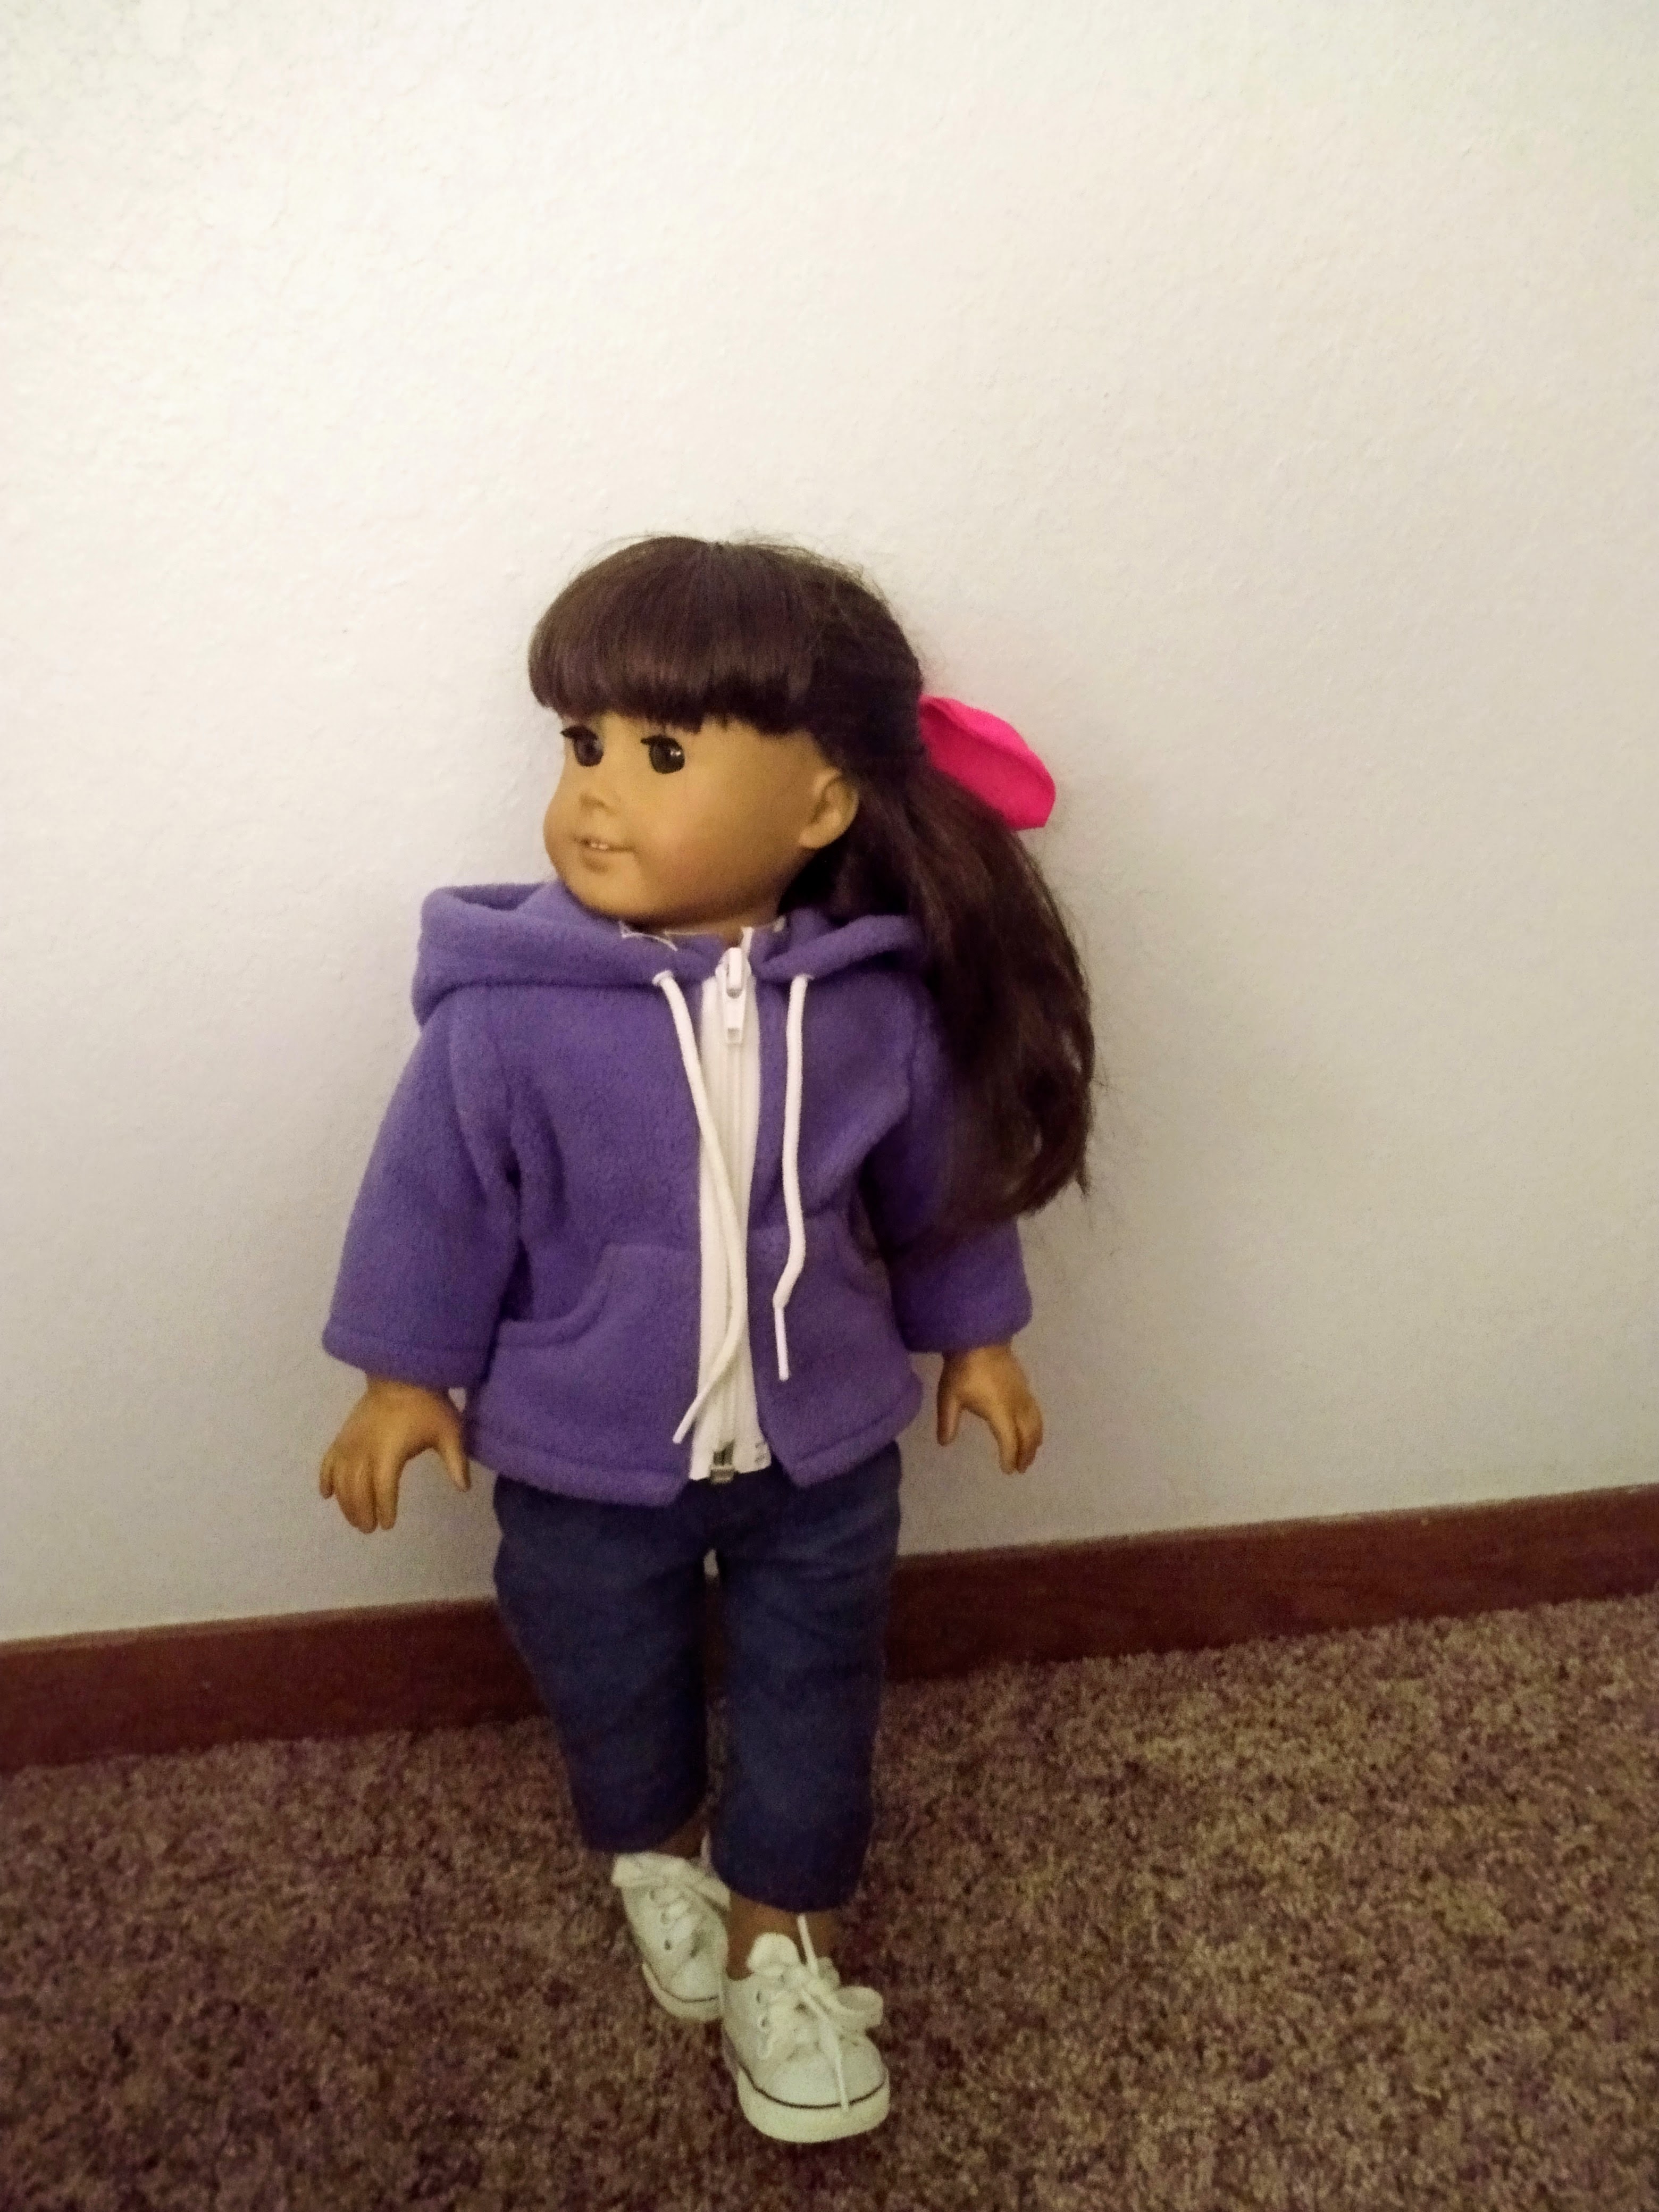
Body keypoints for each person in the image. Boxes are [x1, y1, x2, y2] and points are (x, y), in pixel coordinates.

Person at [317, 535, 1094, 2144]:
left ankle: (783, 1936)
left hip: (824, 1448)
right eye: (582, 743)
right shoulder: (506, 1018)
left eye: (662, 755)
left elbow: (936, 1194)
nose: (596, 794)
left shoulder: (871, 1008)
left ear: (821, 806)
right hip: (585, 1456)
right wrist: (403, 1376)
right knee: (605, 1671)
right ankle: (655, 1848)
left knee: (819, 1682)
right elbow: (431, 1202)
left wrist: (978, 1340)